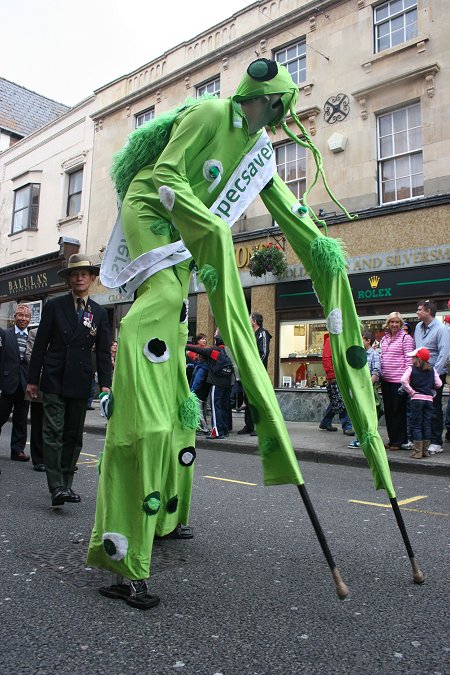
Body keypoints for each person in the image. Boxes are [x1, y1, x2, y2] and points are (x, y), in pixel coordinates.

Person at [87, 58, 392, 609]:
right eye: (277, 106)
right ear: (261, 97)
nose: (280, 119)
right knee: (160, 309)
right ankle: (124, 556)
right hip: (154, 209)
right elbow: (166, 175)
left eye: (284, 110)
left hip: (190, 224)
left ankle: (168, 515)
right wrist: (209, 236)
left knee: (178, 348)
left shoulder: (258, 150)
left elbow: (287, 208)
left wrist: (324, 252)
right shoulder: (209, 112)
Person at [26, 254, 111, 507]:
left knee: (74, 436)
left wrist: (105, 384)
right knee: (53, 432)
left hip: (80, 380)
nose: (80, 277)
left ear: (93, 278)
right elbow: (40, 344)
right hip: (53, 378)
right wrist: (33, 379)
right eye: (75, 274)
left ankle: (66, 484)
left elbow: (104, 352)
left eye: (85, 273)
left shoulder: (98, 312)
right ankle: (56, 486)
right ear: (69, 280)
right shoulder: (55, 305)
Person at [414, 299, 450, 454]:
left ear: (428, 312)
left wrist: (434, 373)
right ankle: (422, 440)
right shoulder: (417, 327)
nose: (417, 312)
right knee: (419, 408)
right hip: (419, 373)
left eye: (419, 309)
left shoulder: (441, 329)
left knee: (434, 408)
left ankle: (436, 441)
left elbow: (444, 353)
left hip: (434, 374)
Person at [0, 304, 31, 462]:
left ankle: (17, 450)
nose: (23, 318)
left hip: (25, 384)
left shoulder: (32, 337)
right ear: (14, 317)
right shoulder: (5, 335)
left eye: (26, 316)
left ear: (30, 319)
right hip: (7, 382)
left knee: (21, 418)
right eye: (20, 315)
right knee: (1, 415)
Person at [188, 331, 233, 439]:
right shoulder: (228, 351)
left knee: (215, 407)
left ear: (217, 340)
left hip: (216, 383)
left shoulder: (214, 351)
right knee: (223, 406)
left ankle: (216, 431)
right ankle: (224, 430)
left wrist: (184, 345)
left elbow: (197, 349)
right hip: (227, 383)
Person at [379, 312, 414, 451]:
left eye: (397, 322)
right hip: (385, 380)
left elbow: (409, 362)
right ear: (388, 323)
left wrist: (405, 380)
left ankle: (399, 441)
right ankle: (392, 439)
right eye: (392, 322)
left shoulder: (406, 339)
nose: (394, 324)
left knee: (398, 411)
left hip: (399, 381)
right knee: (388, 411)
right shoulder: (384, 339)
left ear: (401, 324)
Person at [401, 347, 442, 459]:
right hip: (428, 400)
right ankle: (425, 450)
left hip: (417, 399)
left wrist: (411, 392)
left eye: (413, 357)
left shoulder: (411, 369)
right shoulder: (432, 369)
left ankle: (418, 451)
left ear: (418, 359)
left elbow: (403, 380)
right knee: (427, 424)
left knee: (416, 425)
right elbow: (439, 384)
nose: (411, 359)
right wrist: (430, 388)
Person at [238, 313, 272, 436]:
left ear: (254, 321)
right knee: (248, 399)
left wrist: (256, 369)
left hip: (256, 373)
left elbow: (263, 352)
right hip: (249, 372)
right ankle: (249, 425)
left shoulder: (262, 333)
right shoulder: (252, 334)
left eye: (249, 318)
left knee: (257, 400)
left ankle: (261, 427)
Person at [348, 330, 382, 449]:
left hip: (368, 390)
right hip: (357, 388)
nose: (359, 341)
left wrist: (367, 387)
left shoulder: (374, 354)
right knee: (358, 414)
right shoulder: (358, 354)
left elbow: (376, 372)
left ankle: (367, 437)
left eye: (361, 338)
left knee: (367, 414)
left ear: (368, 341)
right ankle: (359, 438)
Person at [319, 332, 355, 436]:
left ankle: (325, 422)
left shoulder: (339, 339)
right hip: (336, 377)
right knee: (342, 400)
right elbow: (326, 359)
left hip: (342, 376)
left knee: (337, 400)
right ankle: (347, 426)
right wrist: (331, 376)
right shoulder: (331, 341)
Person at [25, 328, 45, 471]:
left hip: (60, 384)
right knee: (38, 421)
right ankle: (38, 459)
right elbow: (30, 355)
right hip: (40, 381)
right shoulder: (35, 332)